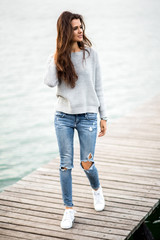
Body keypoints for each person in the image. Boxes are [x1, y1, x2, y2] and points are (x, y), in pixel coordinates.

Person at [44, 11, 108, 230]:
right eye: (75, 28)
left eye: (81, 27)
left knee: (87, 163)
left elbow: (98, 86)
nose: (80, 30)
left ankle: (97, 190)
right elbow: (49, 82)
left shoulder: (91, 55)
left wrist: (104, 116)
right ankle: (69, 209)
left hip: (89, 116)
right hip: (63, 117)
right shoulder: (58, 58)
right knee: (65, 165)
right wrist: (56, 55)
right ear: (66, 31)